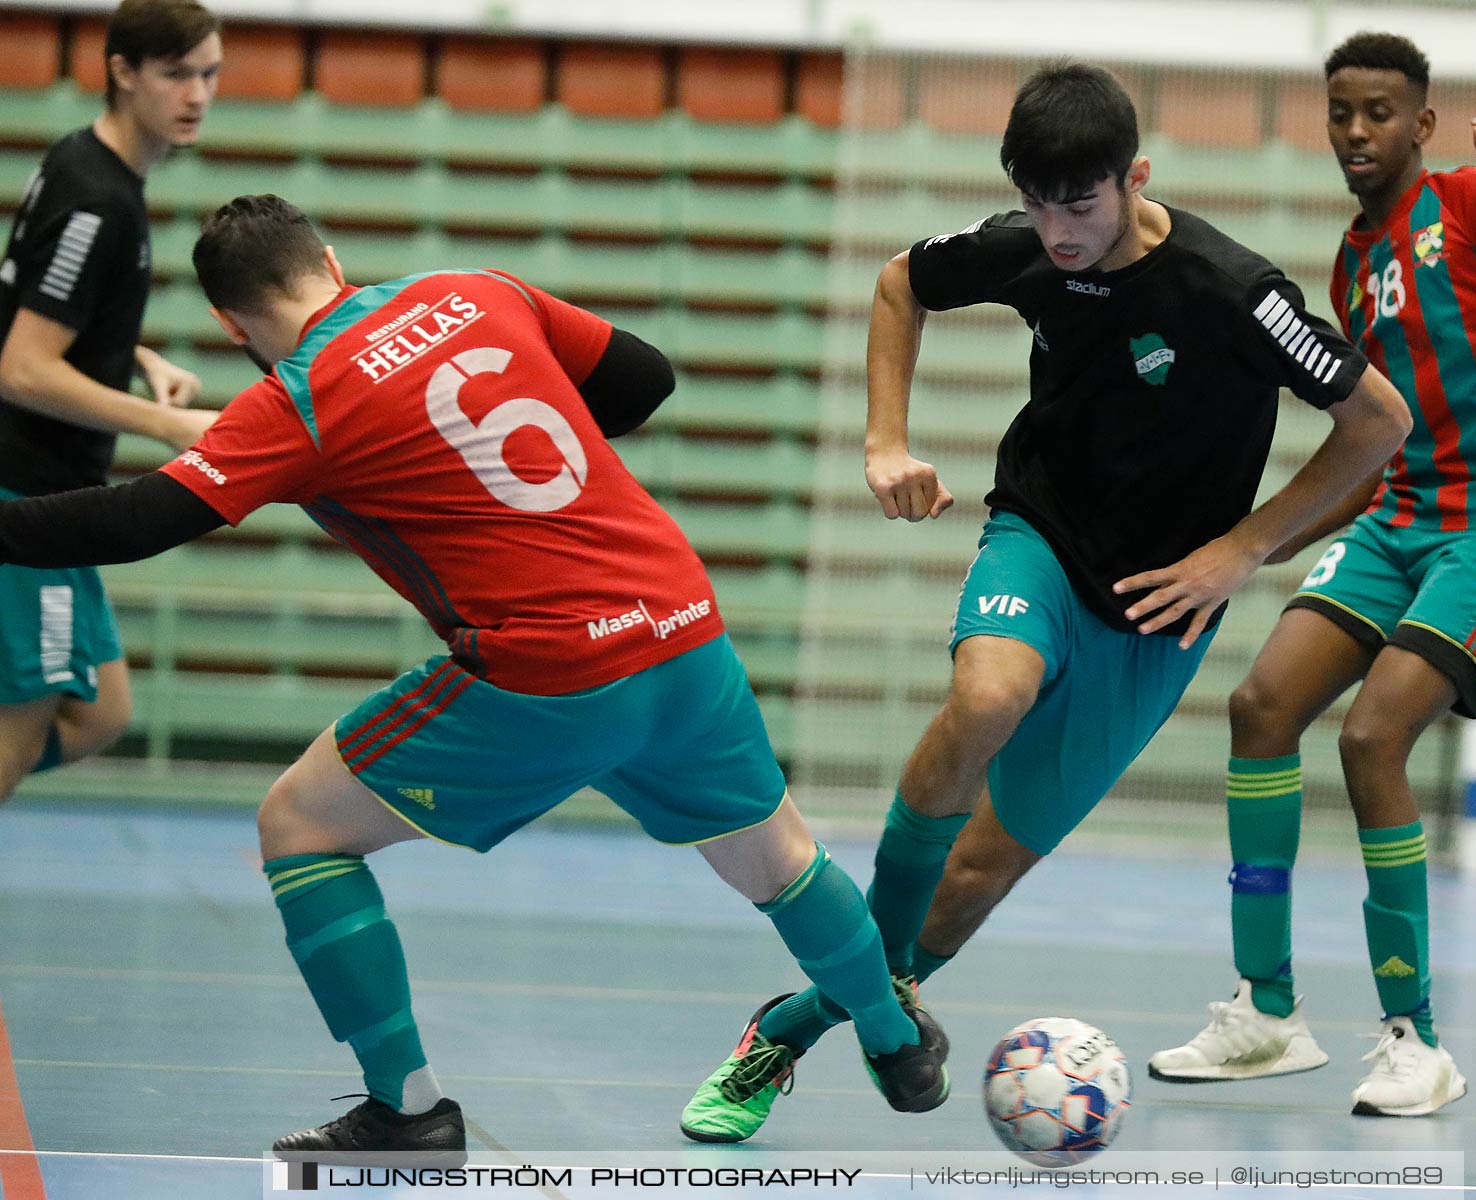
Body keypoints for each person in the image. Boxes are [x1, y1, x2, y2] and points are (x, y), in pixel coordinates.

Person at [0, 194, 950, 1163]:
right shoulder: (473, 289)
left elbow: (132, 524)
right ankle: (894, 1038)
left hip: (550, 666)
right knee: (778, 858)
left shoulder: (296, 400)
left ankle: (408, 1111)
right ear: (330, 259)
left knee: (299, 827)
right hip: (678, 621)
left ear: (228, 324)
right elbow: (643, 378)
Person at [676, 61, 1412, 1143]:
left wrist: (1242, 552)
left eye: (1081, 204)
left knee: (971, 879)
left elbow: (1377, 424)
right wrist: (885, 440)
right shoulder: (1024, 249)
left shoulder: (1232, 291)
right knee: (988, 697)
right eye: (1037, 201)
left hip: (1160, 612)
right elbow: (900, 283)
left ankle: (797, 1021)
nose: (1057, 230)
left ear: (1134, 177)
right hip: (1040, 537)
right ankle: (846, 1029)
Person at [1149, 32, 1476, 1117]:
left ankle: (1418, 1042)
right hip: (1404, 518)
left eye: (1378, 114)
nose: (1355, 134)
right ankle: (1266, 1013)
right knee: (1263, 704)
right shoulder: (1350, 260)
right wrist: (1248, 549)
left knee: (1373, 737)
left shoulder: (1472, 203)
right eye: (1340, 114)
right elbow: (1372, 449)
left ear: (1420, 124)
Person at [0, 0, 221, 805]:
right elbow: (22, 368)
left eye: (209, 73)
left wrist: (134, 356)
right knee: (16, 735)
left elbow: (33, 305)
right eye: (176, 75)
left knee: (99, 716)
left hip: (61, 497)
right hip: (28, 493)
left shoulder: (82, 164)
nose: (197, 94)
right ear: (123, 72)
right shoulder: (100, 202)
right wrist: (165, 422)